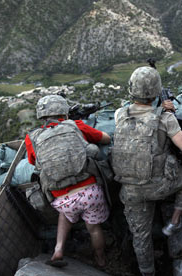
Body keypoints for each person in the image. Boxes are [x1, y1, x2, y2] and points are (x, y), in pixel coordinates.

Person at [112, 66, 182, 276]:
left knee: (140, 236)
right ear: (156, 92)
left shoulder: (119, 114)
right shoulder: (164, 118)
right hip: (158, 186)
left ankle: (147, 272)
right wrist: (169, 115)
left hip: (130, 191)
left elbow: (139, 116)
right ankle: (174, 221)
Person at [25, 95, 111, 267]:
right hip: (90, 192)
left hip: (62, 198)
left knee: (65, 215)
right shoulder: (76, 125)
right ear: (63, 112)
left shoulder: (32, 138)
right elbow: (106, 138)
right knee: (94, 229)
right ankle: (101, 259)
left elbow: (33, 161)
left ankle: (58, 249)